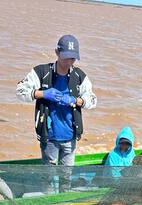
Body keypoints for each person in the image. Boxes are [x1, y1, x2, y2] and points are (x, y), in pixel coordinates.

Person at [16, 35, 97, 191]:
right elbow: (19, 91)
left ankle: (63, 199)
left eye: (73, 58)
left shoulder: (79, 76)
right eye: (66, 57)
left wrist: (75, 100)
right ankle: (48, 199)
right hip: (49, 137)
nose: (69, 62)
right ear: (57, 52)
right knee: (49, 178)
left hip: (70, 137)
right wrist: (43, 94)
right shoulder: (41, 72)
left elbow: (92, 100)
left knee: (66, 177)